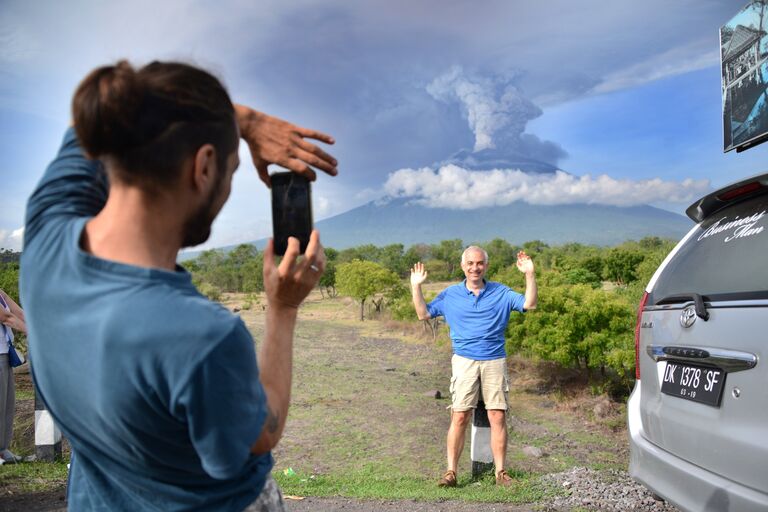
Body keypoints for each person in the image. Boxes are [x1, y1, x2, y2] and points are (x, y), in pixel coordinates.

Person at [20, 60, 337, 511]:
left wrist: (239, 122)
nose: (226, 188)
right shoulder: (202, 335)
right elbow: (261, 434)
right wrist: (282, 308)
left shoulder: (46, 237)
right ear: (203, 166)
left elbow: (85, 127)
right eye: (230, 171)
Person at [410, 246, 537, 487]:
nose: (474, 267)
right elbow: (423, 313)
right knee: (459, 416)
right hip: (464, 361)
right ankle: (451, 473)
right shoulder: (450, 295)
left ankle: (500, 473)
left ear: (486, 266)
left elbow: (529, 304)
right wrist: (416, 286)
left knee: (497, 415)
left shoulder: (501, 292)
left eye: (479, 263)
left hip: (494, 360)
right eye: (470, 263)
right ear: (463, 266)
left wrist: (529, 274)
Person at [0, 288, 26, 465]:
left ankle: (3, 449)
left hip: (4, 353)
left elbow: (18, 312)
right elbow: (6, 318)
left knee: (7, 403)